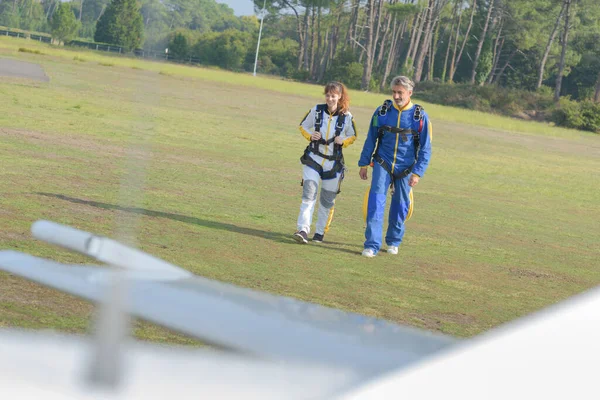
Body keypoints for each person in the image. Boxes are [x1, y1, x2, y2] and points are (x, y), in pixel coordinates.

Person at [358, 76, 432, 257]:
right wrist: (364, 163)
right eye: (394, 92)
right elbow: (371, 138)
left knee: (400, 205)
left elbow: (426, 148)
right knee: (375, 203)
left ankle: (393, 241)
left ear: (410, 93)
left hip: (406, 168)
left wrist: (418, 173)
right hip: (382, 162)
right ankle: (371, 245)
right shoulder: (382, 112)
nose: (396, 96)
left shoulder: (420, 116)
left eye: (400, 92)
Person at [293, 82, 357, 244]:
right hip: (313, 158)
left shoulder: (347, 117)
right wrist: (310, 135)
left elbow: (353, 135)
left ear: (340, 97)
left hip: (333, 164)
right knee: (309, 193)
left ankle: (319, 233)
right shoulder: (316, 110)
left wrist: (343, 140)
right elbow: (303, 126)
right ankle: (303, 229)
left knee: (327, 200)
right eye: (327, 95)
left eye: (333, 95)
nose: (330, 98)